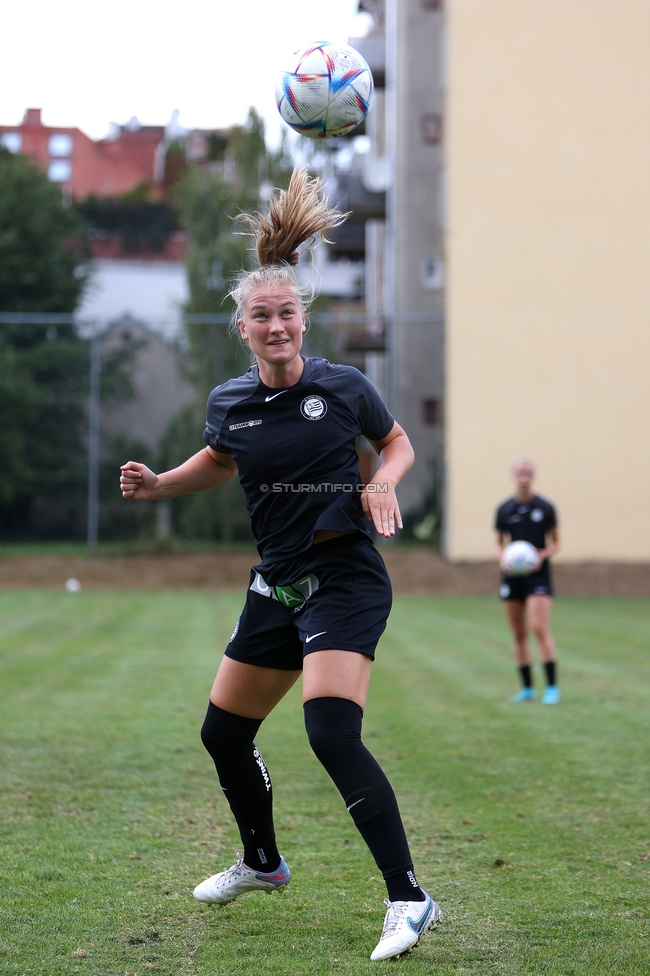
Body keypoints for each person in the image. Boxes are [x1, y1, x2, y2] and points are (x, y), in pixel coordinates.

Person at [119, 169, 440, 961]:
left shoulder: (342, 387)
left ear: (304, 319)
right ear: (242, 327)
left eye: (286, 314)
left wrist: (380, 483)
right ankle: (262, 862)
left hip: (345, 578)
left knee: (331, 732)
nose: (276, 327)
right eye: (261, 316)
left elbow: (395, 443)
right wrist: (162, 483)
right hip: (278, 581)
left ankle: (409, 898)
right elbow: (221, 459)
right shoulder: (230, 402)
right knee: (223, 733)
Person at [495, 457, 561, 704]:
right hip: (512, 576)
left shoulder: (545, 508)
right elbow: (497, 542)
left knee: (539, 628)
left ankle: (552, 687)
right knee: (519, 633)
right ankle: (527, 689)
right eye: (520, 473)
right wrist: (503, 558)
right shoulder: (505, 509)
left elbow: (556, 542)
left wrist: (540, 555)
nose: (524, 477)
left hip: (538, 575)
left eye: (528, 473)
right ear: (513, 476)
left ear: (532, 477)